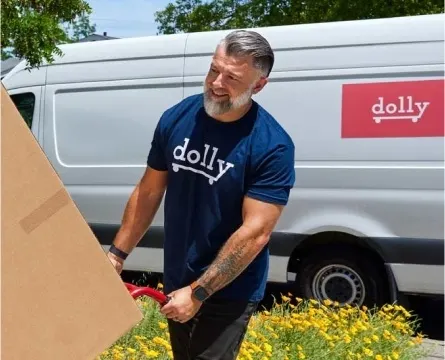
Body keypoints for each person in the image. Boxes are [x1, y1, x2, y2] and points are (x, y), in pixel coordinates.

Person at [106, 29, 295, 360]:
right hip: (179, 275)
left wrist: (199, 292)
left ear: (259, 85)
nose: (216, 84)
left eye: (232, 78)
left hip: (229, 286)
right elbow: (149, 190)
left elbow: (256, 233)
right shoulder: (177, 118)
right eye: (213, 70)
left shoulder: (272, 145)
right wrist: (117, 254)